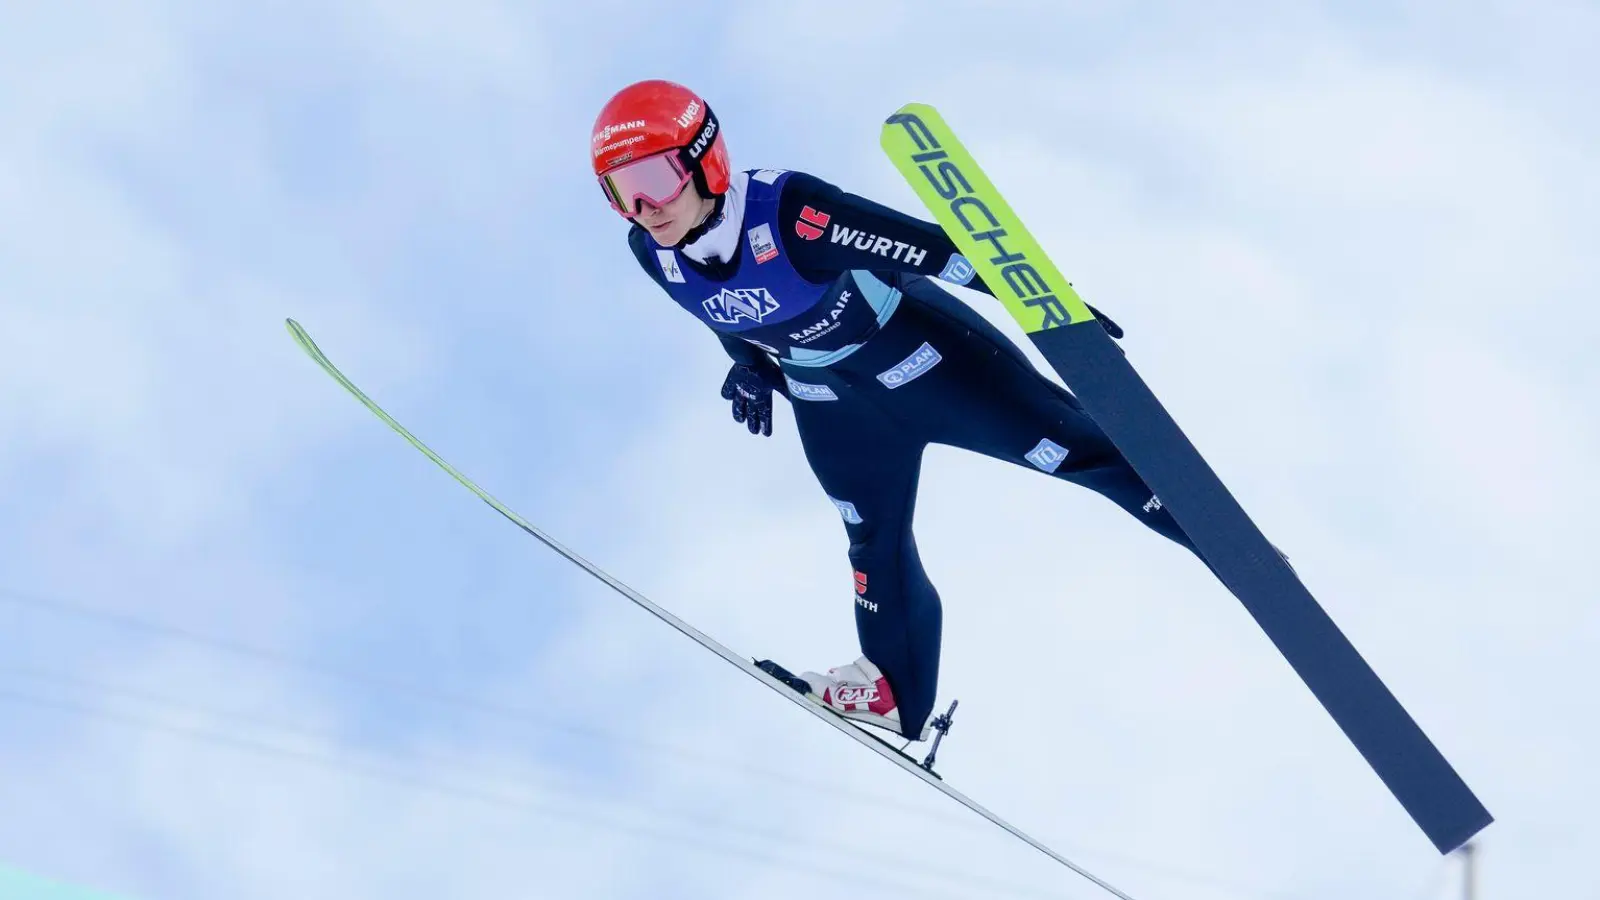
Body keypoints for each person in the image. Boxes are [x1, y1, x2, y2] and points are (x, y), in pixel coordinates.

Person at [592, 78, 1203, 742]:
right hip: (833, 404)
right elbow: (720, 311)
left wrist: (1054, 309)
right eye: (622, 190)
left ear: (704, 157)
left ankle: (1215, 538)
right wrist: (746, 367)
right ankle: (894, 693)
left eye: (655, 176)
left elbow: (937, 250)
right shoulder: (653, 253)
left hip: (926, 360)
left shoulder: (789, 214)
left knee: (1073, 452)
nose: (644, 206)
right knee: (871, 540)